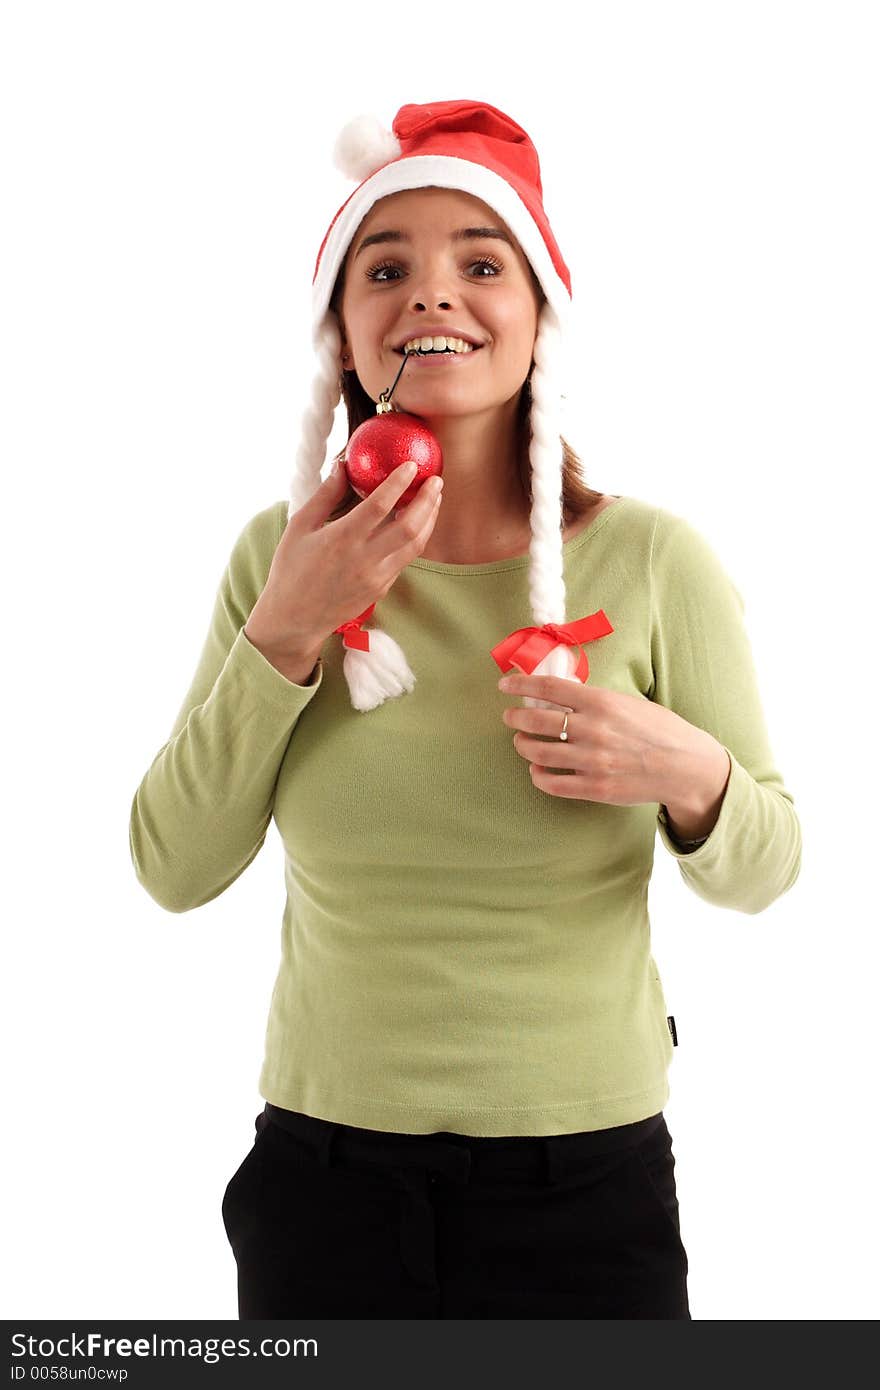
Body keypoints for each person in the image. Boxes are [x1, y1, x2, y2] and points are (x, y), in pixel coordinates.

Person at [129, 100, 802, 1319]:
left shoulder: (654, 560)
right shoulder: (272, 562)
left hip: (587, 1189)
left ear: (539, 313)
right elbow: (174, 869)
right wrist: (286, 626)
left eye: (480, 263)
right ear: (341, 331)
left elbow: (763, 872)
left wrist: (689, 771)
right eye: (385, 269)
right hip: (319, 1186)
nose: (432, 294)